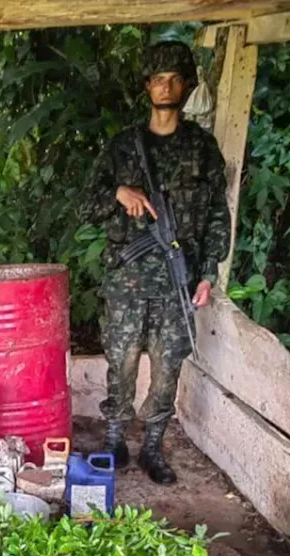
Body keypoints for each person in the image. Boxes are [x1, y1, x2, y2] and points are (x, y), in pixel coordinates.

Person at [80, 41, 231, 484]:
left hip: (176, 280)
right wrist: (118, 192)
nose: (166, 86)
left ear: (186, 85)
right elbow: (85, 205)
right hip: (128, 279)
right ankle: (113, 440)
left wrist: (207, 273)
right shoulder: (123, 147)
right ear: (147, 86)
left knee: (168, 369)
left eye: (174, 78)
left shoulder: (202, 149)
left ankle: (152, 447)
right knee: (121, 363)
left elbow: (218, 214)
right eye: (158, 78)